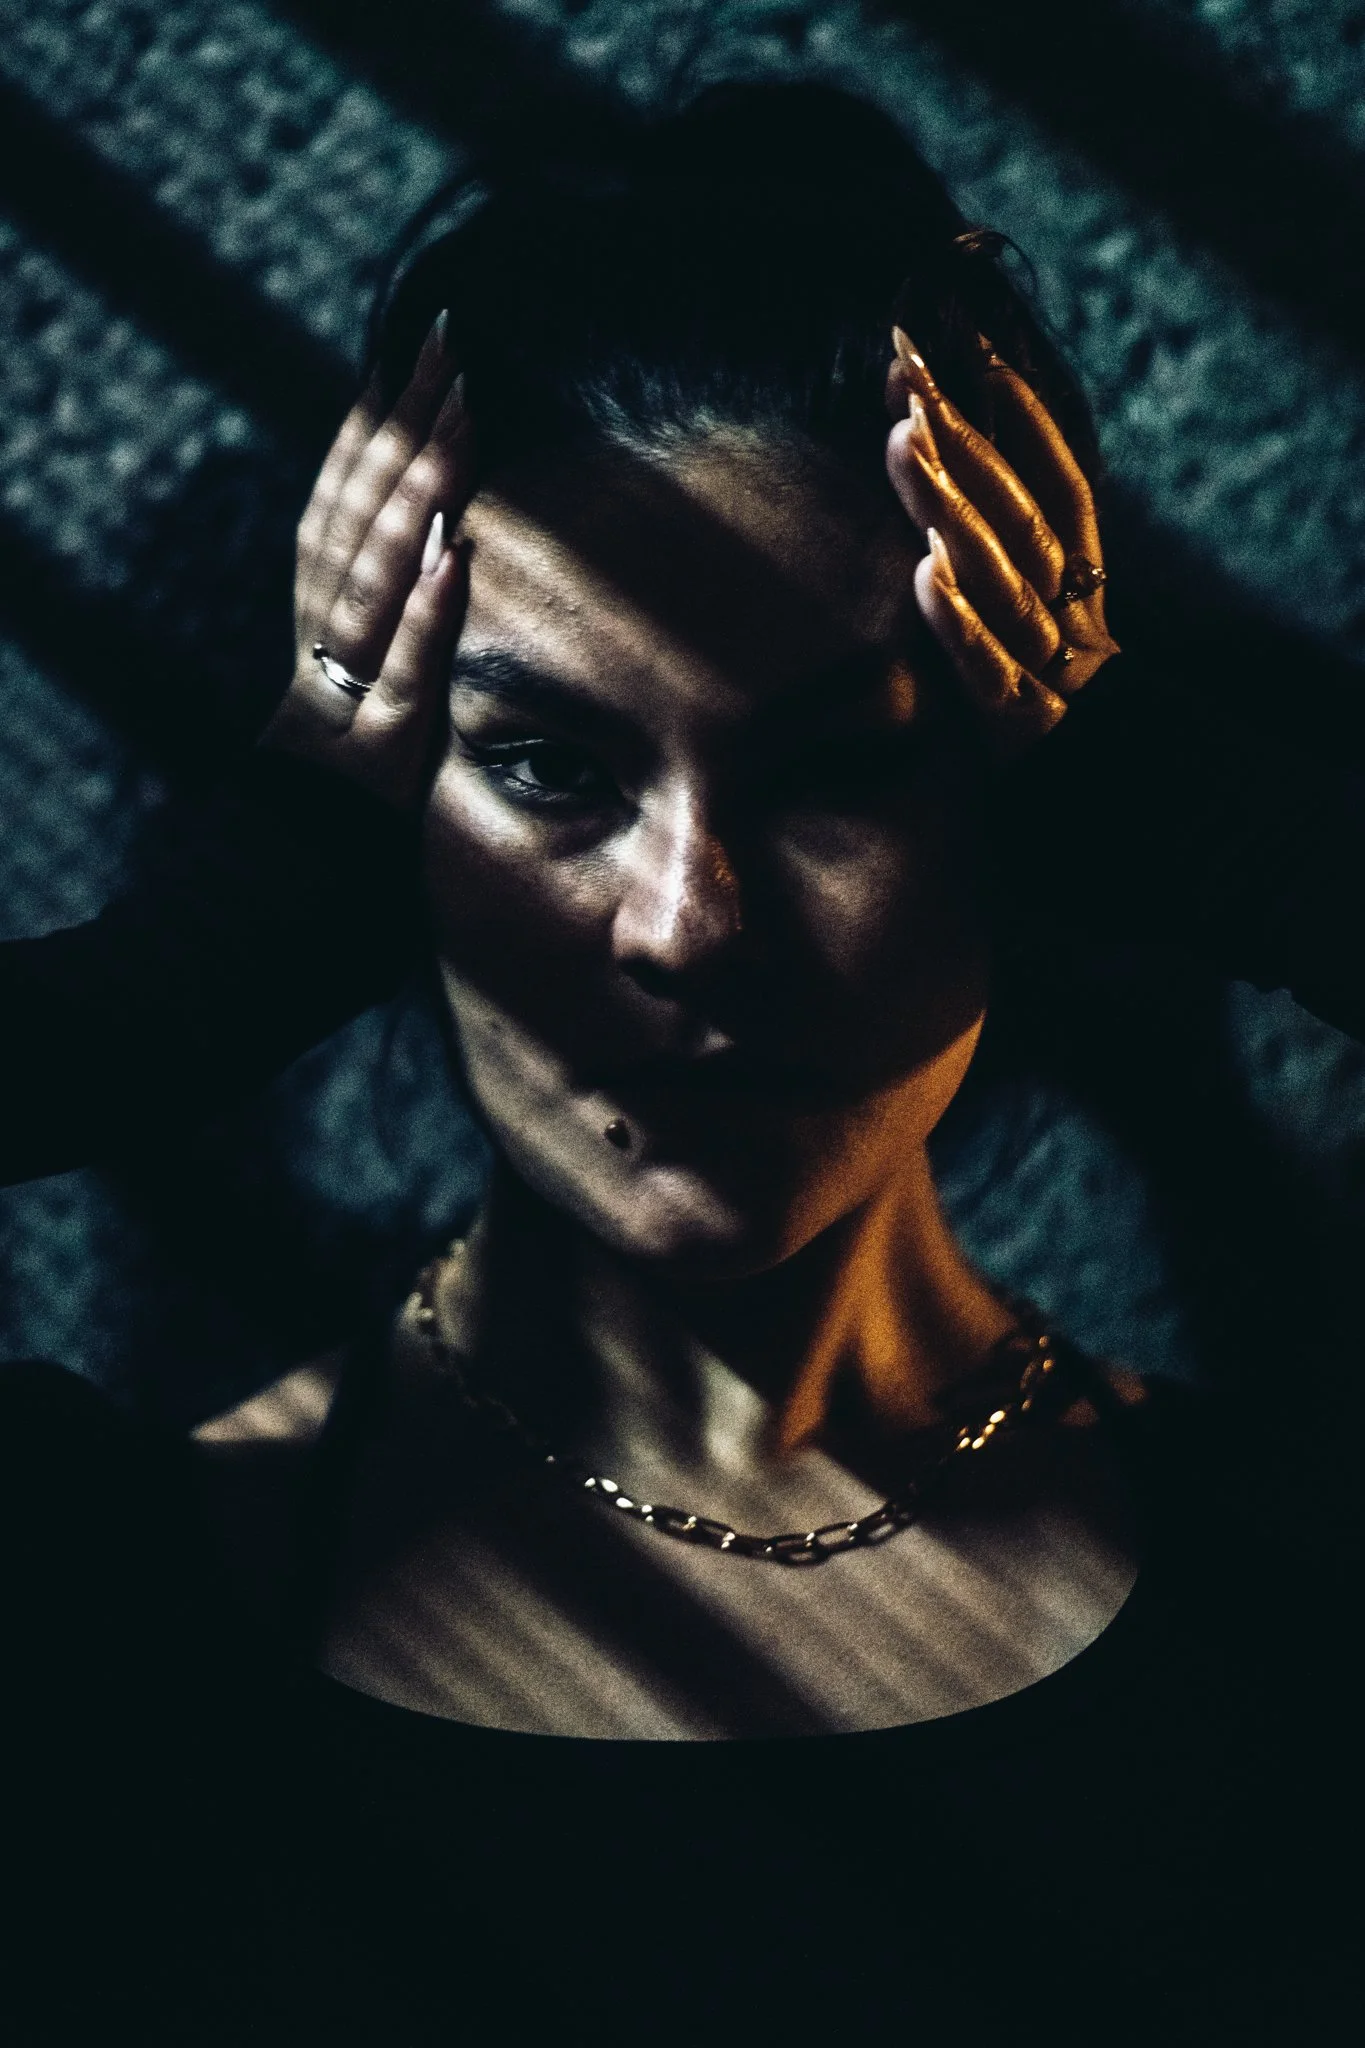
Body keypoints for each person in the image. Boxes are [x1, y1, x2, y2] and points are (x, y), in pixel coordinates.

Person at [1, 81, 1357, 2047]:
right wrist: (176, 980)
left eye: (836, 770)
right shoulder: (87, 1605)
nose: (685, 922)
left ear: (1013, 798)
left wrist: (1216, 821)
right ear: (392, 828)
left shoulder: (1307, 1593)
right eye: (551, 767)